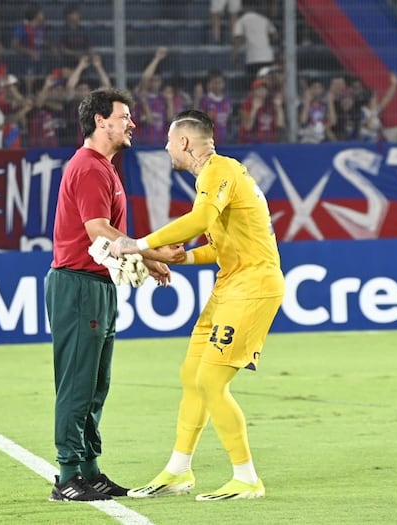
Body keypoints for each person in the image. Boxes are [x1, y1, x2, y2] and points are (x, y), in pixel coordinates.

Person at [109, 108, 285, 502]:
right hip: (231, 285)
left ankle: (246, 478)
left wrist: (139, 245)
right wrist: (183, 258)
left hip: (253, 287)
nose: (166, 148)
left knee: (211, 381)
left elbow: (199, 218)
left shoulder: (218, 171)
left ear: (185, 142)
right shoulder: (221, 174)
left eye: (169, 141)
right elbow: (221, 247)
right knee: (192, 374)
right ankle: (178, 471)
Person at [45, 87, 181, 502]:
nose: (131, 123)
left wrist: (145, 261)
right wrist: (153, 250)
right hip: (79, 285)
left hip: (97, 284)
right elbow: (97, 231)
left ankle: (89, 469)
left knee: (96, 384)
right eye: (124, 116)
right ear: (101, 120)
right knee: (78, 383)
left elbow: (108, 242)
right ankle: (67, 476)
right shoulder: (89, 168)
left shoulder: (104, 167)